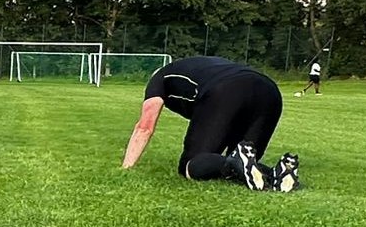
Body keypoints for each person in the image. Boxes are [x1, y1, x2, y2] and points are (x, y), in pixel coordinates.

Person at [122, 55, 298, 192]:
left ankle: (237, 162)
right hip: (270, 92)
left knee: (190, 166)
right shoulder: (202, 64)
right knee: (238, 167)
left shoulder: (159, 78)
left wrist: (126, 168)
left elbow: (145, 127)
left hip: (227, 90)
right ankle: (277, 174)